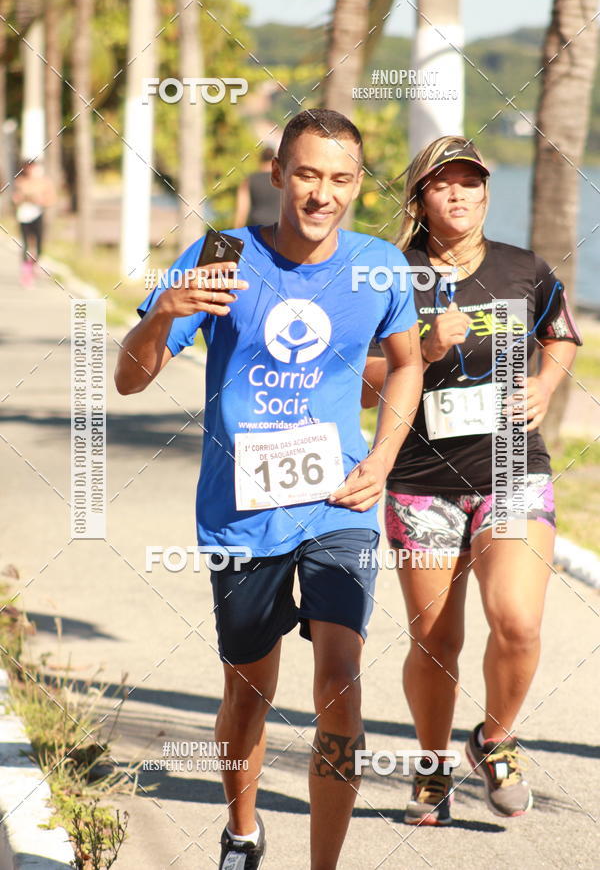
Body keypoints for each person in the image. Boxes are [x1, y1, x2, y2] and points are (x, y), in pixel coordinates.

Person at [115, 109, 422, 869]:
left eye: (341, 179)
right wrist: (164, 313)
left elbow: (408, 364)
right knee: (247, 690)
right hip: (241, 517)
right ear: (279, 173)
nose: (323, 194)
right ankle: (243, 830)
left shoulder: (380, 266)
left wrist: (382, 458)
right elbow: (127, 378)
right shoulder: (221, 255)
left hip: (338, 506)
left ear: (358, 186)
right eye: (308, 174)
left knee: (341, 680)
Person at [363, 136, 582, 826]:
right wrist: (425, 351)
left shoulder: (524, 268)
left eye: (471, 183)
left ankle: (495, 738)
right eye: (443, 184)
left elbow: (562, 332)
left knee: (516, 620)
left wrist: (546, 384)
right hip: (421, 478)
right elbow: (363, 383)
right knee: (437, 640)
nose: (459, 195)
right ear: (420, 199)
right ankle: (431, 769)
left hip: (512, 468)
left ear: (487, 193)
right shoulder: (389, 274)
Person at [12, 160, 55, 287]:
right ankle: (26, 274)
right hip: (24, 216)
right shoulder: (20, 182)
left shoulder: (45, 182)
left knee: (39, 245)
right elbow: (15, 199)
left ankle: (33, 266)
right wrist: (20, 198)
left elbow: (51, 199)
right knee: (25, 245)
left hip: (38, 215)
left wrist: (40, 200)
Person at [234, 146, 281, 228]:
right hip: (278, 230)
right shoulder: (282, 180)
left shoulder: (248, 180)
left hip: (256, 230)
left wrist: (237, 233)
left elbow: (241, 211)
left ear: (260, 160)